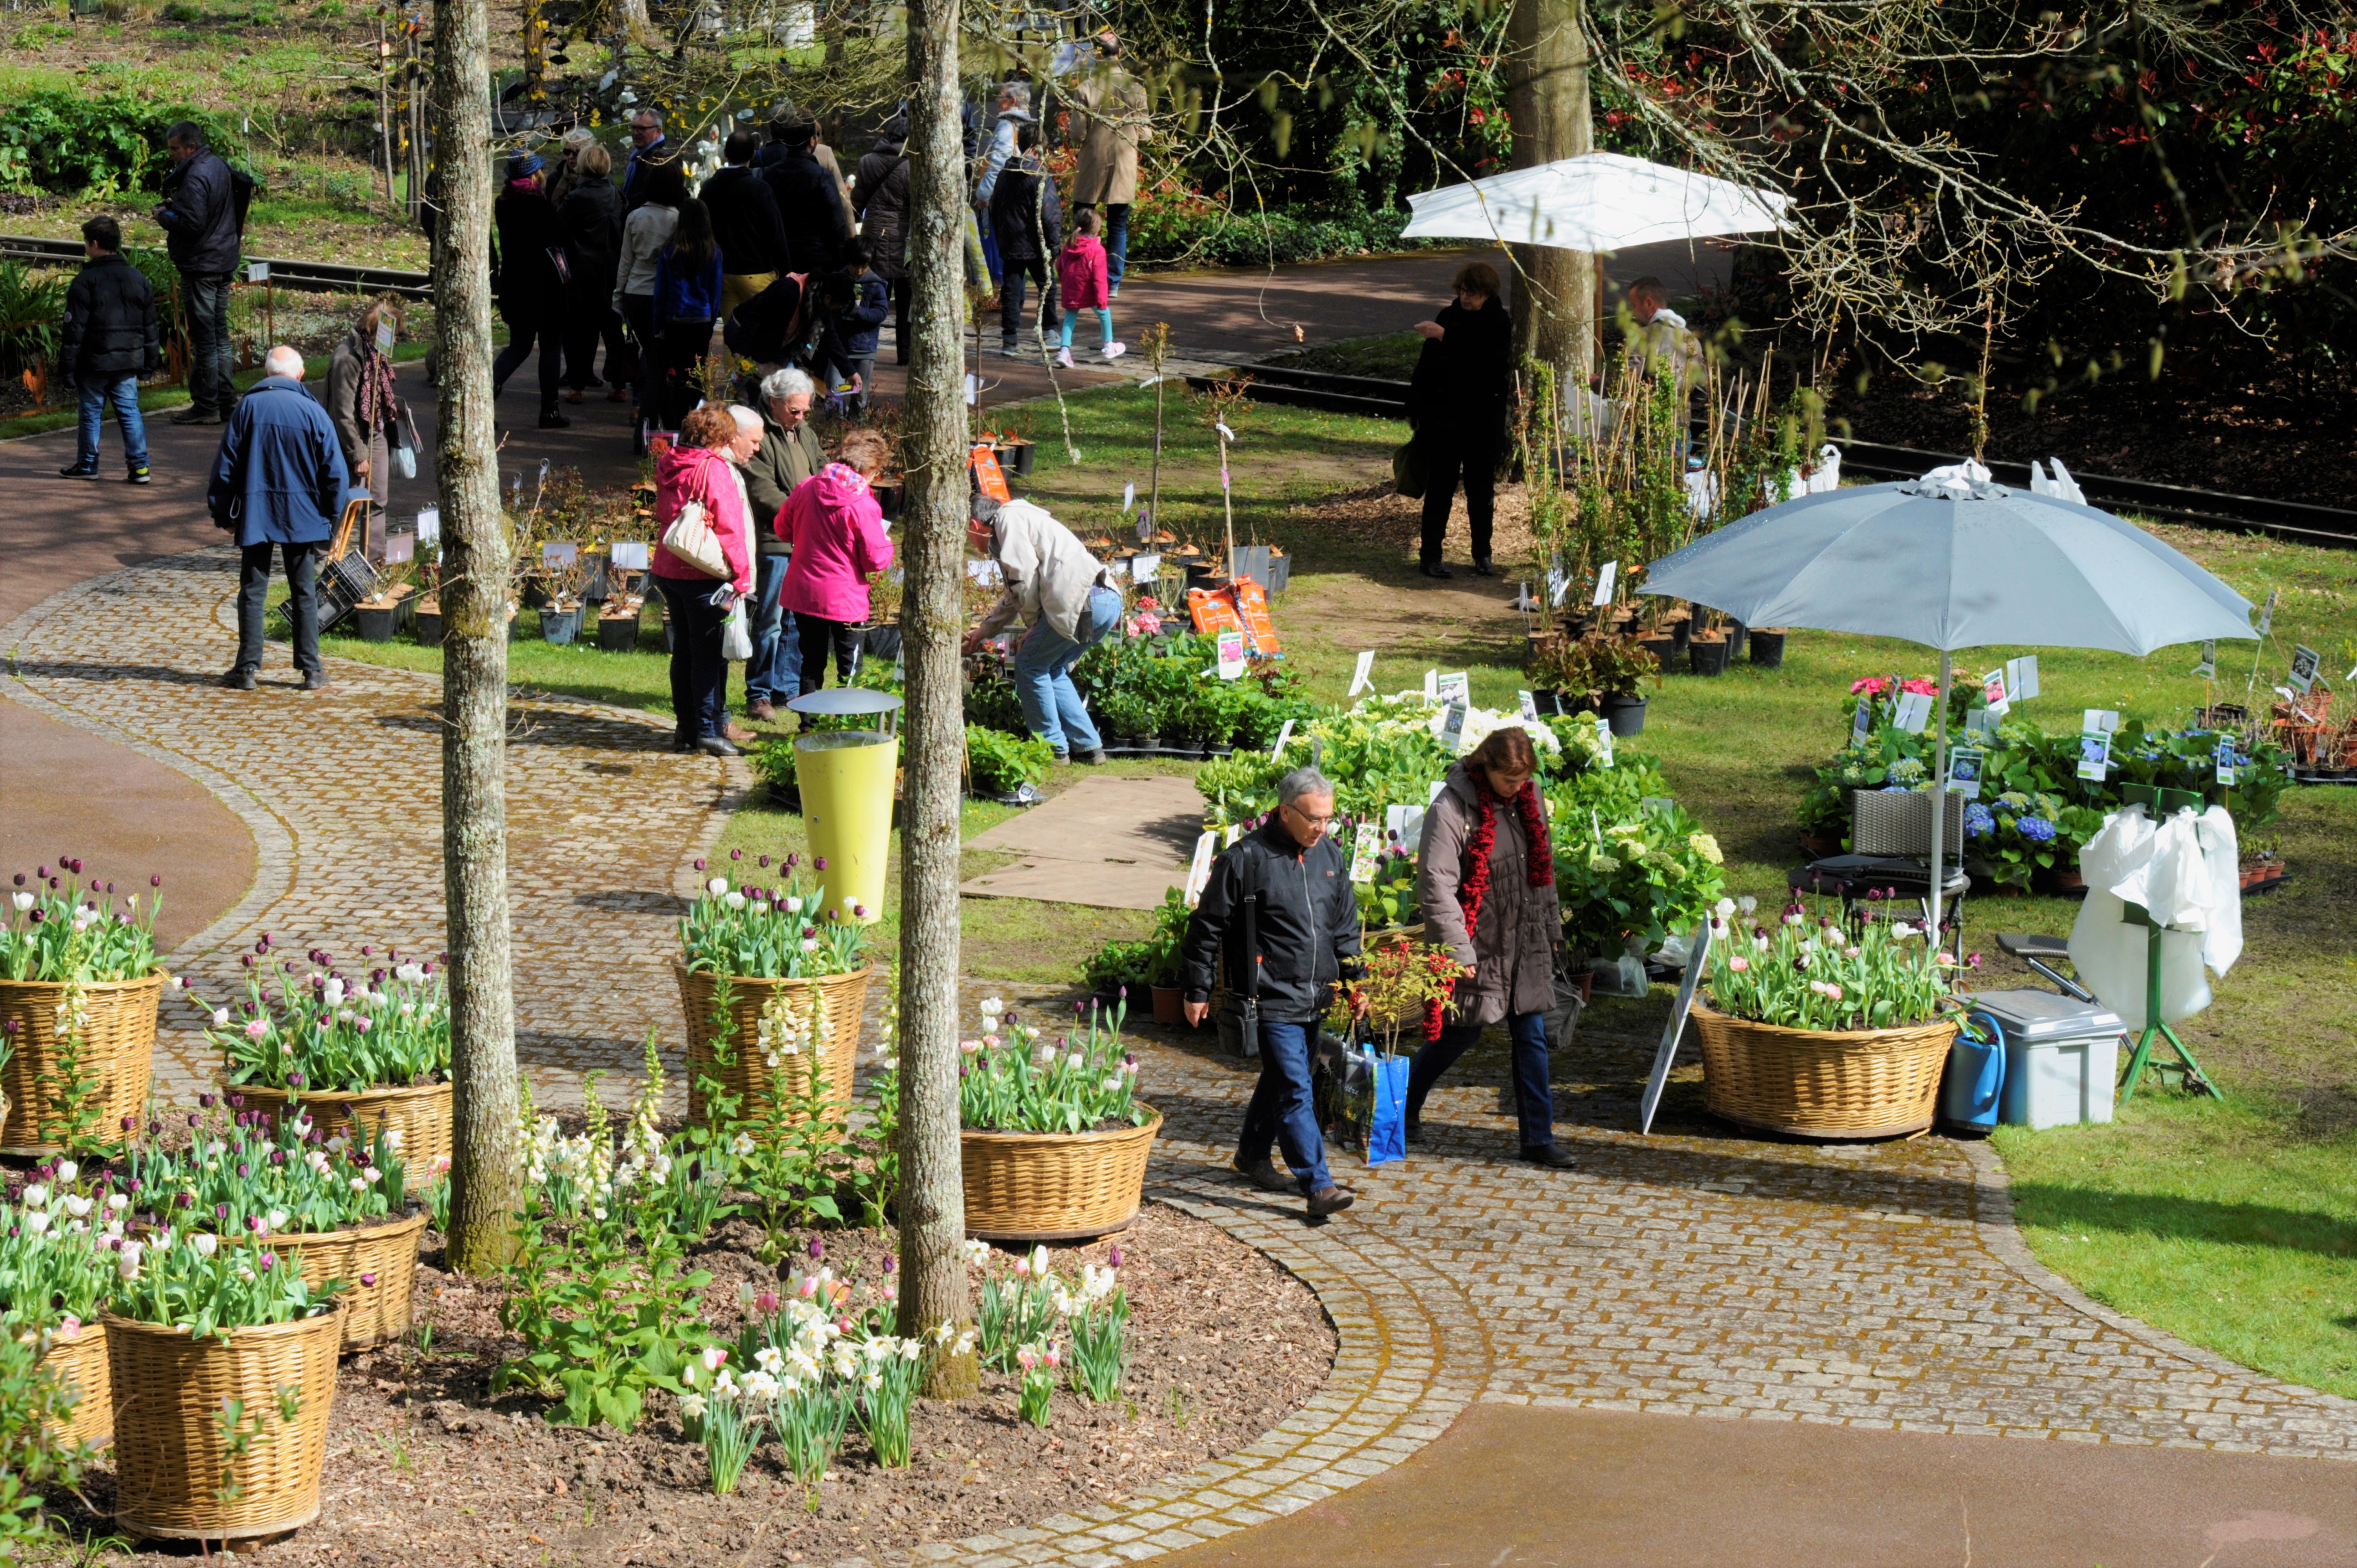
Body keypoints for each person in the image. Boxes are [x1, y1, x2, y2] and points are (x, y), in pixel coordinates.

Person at [1180, 766, 1363, 1219]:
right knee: (1295, 1090)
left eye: (1329, 819)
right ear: (1285, 811)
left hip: (1315, 994)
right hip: (1270, 998)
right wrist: (1197, 989)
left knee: (1286, 1077)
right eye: (1314, 818)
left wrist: (1354, 979)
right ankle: (1318, 1184)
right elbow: (1207, 927)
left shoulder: (1330, 857)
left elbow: (1344, 924)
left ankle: (1251, 1154)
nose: (1323, 828)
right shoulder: (1245, 859)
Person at [1409, 727, 1578, 1167]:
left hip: (1525, 937)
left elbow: (1543, 868)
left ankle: (1538, 1139)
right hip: (1478, 941)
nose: (1517, 789)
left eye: (1523, 781)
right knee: (1460, 1034)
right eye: (1509, 781)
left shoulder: (1530, 797)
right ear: (1486, 765)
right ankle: (1403, 1105)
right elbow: (1435, 886)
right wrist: (1458, 950)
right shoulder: (1450, 808)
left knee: (1532, 1036)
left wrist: (1552, 926)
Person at [209, 345, 351, 693]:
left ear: (267, 372)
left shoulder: (248, 407)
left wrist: (223, 512)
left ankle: (246, 669)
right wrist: (331, 519)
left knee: (252, 591)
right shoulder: (313, 412)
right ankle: (312, 669)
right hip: (303, 515)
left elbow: (225, 468)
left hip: (256, 512)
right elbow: (336, 474)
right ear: (300, 374)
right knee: (304, 591)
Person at [959, 495, 1119, 765]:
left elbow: (1023, 575)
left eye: (967, 533)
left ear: (975, 524)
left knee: (1029, 664)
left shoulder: (1009, 520)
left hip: (1082, 603)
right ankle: (1089, 748)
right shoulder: (1020, 522)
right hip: (1107, 600)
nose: (970, 542)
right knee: (1051, 668)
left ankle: (1053, 750)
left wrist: (1034, 626)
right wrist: (983, 631)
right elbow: (1015, 594)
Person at [652, 404, 756, 756]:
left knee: (683, 650)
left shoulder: (668, 461)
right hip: (704, 574)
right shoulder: (714, 469)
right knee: (709, 656)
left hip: (669, 566)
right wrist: (743, 574)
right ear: (723, 438)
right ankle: (709, 731)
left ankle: (686, 728)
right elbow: (730, 527)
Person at [1408, 260, 1512, 580]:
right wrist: (1416, 408)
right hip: (1445, 419)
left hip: (1482, 419)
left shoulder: (1498, 321)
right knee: (1440, 487)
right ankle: (1431, 556)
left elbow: (1490, 363)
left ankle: (1483, 553)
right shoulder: (1449, 316)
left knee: (1481, 491)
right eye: (1464, 292)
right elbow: (1426, 367)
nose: (1466, 298)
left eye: (1473, 293)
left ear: (1487, 293)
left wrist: (1445, 337)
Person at [779, 428, 895, 695]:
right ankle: (850, 726)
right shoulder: (863, 504)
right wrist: (887, 545)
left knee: (811, 662)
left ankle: (808, 726)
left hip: (805, 591)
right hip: (845, 597)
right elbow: (875, 559)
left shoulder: (806, 487)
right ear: (869, 468)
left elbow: (782, 528)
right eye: (875, 473)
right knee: (850, 667)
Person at [739, 365, 825, 721]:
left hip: (806, 539)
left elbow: (822, 469)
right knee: (771, 620)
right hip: (776, 541)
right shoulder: (760, 435)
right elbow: (763, 492)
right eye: (795, 410)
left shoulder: (804, 432)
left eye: (806, 410)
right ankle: (758, 693)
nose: (802, 417)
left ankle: (786, 690)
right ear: (774, 403)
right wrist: (806, 515)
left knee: (796, 622)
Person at [56, 215, 159, 486]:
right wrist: (150, 363)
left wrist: (66, 367)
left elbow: (74, 331)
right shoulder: (138, 278)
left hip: (93, 363)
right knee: (129, 412)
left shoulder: (84, 281)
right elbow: (150, 327)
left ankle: (88, 465)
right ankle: (139, 467)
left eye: (86, 243)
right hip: (127, 360)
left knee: (90, 413)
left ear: (95, 244)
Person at [153, 121, 241, 427]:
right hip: (223, 260)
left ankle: (207, 405)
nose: (172, 155)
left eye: (175, 149)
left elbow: (192, 223)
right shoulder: (218, 165)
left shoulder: (194, 175)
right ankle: (226, 403)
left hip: (203, 265)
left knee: (205, 339)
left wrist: (165, 216)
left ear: (191, 147)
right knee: (219, 336)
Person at [325, 300, 409, 559]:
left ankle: (373, 562)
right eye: (393, 335)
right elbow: (342, 414)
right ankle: (322, 559)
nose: (395, 341)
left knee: (377, 501)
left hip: (377, 432)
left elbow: (376, 396)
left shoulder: (375, 355)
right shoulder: (348, 359)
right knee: (346, 503)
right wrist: (358, 454)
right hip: (353, 439)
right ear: (377, 332)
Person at [491, 153, 570, 429]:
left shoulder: (503, 202)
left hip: (515, 283)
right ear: (536, 174)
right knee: (550, 346)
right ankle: (549, 411)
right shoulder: (537, 202)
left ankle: (486, 395)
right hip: (544, 285)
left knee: (518, 347)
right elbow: (560, 235)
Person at [1068, 32, 1150, 298]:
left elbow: (1078, 134)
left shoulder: (1086, 87)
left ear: (1096, 53)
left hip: (1093, 159)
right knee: (1118, 224)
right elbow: (1146, 133)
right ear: (1120, 53)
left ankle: (1081, 275)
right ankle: (1112, 282)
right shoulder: (1136, 88)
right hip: (1124, 161)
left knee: (1082, 219)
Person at [613, 160, 683, 436]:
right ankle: (663, 425)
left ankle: (653, 423)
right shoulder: (678, 219)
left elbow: (625, 262)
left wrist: (619, 299)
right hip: (662, 297)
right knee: (659, 362)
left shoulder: (635, 217)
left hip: (635, 293)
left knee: (653, 358)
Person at [555, 141, 627, 405]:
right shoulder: (616, 194)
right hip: (613, 271)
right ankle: (619, 385)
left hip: (582, 271)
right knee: (613, 331)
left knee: (581, 332)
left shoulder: (577, 198)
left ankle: (577, 386)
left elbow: (556, 229)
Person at [650, 197, 724, 432]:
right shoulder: (713, 252)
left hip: (675, 319)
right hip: (700, 320)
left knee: (679, 376)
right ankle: (697, 424)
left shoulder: (670, 251)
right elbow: (716, 291)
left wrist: (657, 323)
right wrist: (711, 322)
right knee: (697, 377)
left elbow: (660, 291)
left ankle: (678, 423)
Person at [989, 121, 1062, 358]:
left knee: (1011, 290)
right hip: (1036, 242)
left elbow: (994, 207)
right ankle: (1050, 331)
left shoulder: (1005, 173)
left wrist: (1001, 236)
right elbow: (1050, 213)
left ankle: (1009, 340)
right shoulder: (1039, 175)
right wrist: (1054, 243)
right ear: (1038, 147)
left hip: (1011, 241)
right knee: (1047, 286)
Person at [704, 129, 791, 320]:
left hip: (724, 273)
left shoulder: (709, 188)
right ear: (754, 153)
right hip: (757, 273)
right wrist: (786, 272)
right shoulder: (759, 189)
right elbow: (775, 233)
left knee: (732, 337)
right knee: (761, 337)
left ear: (725, 153)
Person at [760, 118, 848, 276]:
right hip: (818, 260)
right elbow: (837, 224)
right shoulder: (822, 176)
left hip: (781, 259)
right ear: (813, 141)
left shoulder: (769, 175)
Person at [814, 239, 888, 409]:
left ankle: (857, 422)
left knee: (859, 391)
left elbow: (881, 313)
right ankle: (835, 421)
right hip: (838, 348)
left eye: (864, 266)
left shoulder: (876, 285)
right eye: (855, 265)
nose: (859, 271)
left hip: (865, 349)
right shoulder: (836, 281)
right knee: (835, 389)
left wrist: (858, 312)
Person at [862, 149, 914, 364]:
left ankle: (865, 350)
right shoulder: (911, 165)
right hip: (902, 238)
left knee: (873, 298)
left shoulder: (867, 161)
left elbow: (858, 198)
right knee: (904, 302)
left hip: (875, 237)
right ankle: (905, 354)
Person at [1053, 208, 1122, 367]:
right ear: (1096, 228)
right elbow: (1099, 278)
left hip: (1071, 288)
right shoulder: (1097, 250)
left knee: (1070, 318)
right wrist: (1102, 299)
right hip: (1089, 290)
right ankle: (1108, 345)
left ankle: (1064, 351)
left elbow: (1060, 266)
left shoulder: (1069, 245)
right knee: (1104, 313)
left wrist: (1065, 282)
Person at [1627, 274, 1706, 405]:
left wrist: (1595, 383)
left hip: (1649, 418)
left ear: (1648, 303)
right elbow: (1701, 394)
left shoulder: (1644, 336)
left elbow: (1626, 382)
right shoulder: (1691, 339)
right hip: (1681, 420)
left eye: (1634, 306)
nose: (1633, 313)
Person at [620, 109, 670, 214]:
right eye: (634, 128)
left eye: (642, 129)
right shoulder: (639, 156)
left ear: (658, 132)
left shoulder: (661, 160)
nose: (635, 133)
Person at [543, 126, 598, 208]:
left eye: (577, 152)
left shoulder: (598, 179)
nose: (571, 157)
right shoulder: (555, 178)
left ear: (588, 154)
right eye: (567, 152)